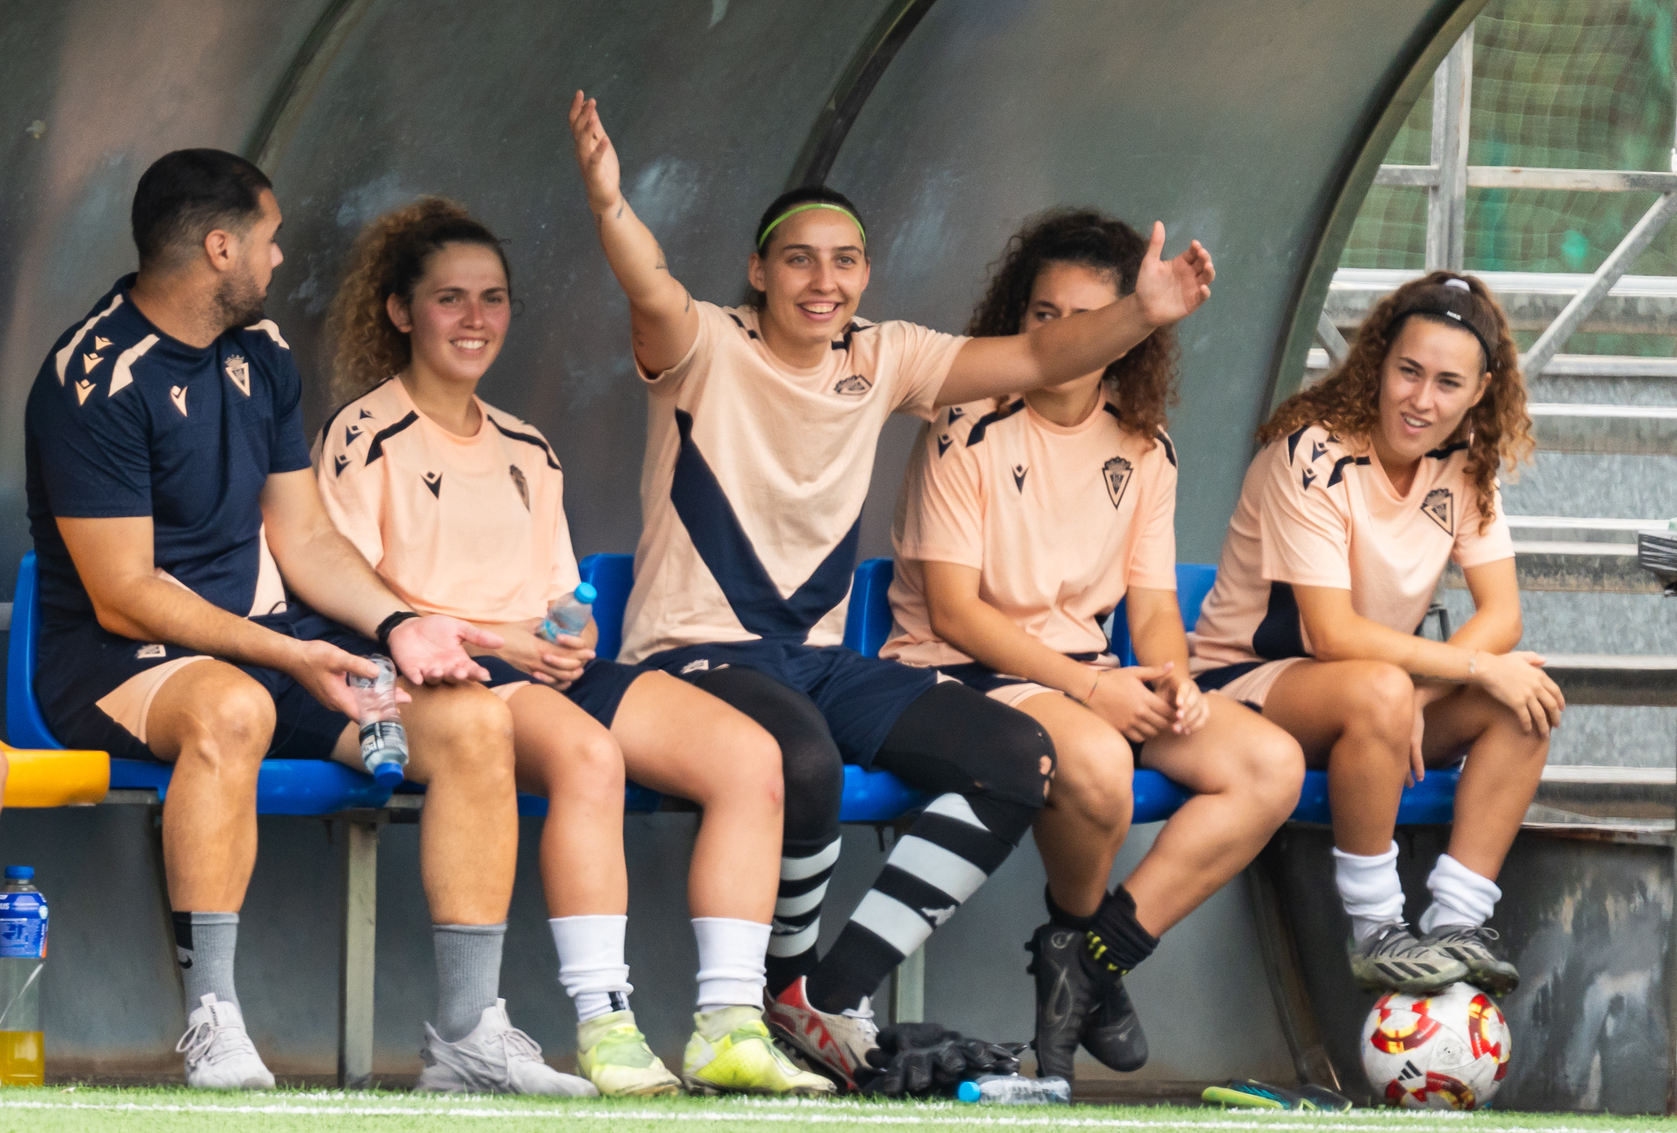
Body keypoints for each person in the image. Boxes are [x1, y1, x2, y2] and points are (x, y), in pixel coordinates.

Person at [568, 92, 1215, 1088]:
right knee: (804, 753)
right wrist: (610, 202)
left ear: (866, 274)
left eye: (843, 261)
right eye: (798, 259)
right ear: (758, 271)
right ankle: (777, 992)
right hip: (695, 652)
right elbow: (650, 286)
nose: (821, 280)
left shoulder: (885, 355)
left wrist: (1142, 313)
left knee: (1015, 756)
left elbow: (1039, 354)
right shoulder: (703, 343)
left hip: (819, 660)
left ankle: (824, 992)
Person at [23, 149, 593, 1094]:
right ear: (220, 248)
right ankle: (213, 1019)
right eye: (270, 238)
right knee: (232, 707)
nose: (280, 257)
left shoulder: (263, 351)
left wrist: (401, 624)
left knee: (472, 722)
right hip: (118, 662)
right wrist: (292, 653)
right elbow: (124, 591)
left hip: (270, 651)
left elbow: (306, 536)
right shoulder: (93, 375)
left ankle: (469, 1036)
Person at [316, 197, 831, 1097]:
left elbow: (557, 595)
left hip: (536, 666)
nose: (476, 319)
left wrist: (570, 628)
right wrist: (506, 641)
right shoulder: (365, 433)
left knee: (751, 758)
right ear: (401, 311)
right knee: (591, 755)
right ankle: (606, 1024)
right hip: (445, 676)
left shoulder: (529, 446)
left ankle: (730, 1024)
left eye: (493, 298)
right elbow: (352, 600)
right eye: (449, 298)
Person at [884, 209, 1305, 1084]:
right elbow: (954, 613)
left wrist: (1175, 678)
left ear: (1129, 331)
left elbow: (1152, 604)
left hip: (1087, 677)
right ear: (1017, 318)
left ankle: (1090, 958)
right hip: (963, 674)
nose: (1065, 335)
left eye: (1089, 317)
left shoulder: (1145, 443)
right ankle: (1080, 947)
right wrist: (1091, 690)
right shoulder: (967, 421)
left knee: (1270, 764)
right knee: (1102, 762)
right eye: (1044, 314)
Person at [1189, 270, 1559, 996]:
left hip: (1376, 702)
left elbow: (1503, 616)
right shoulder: (1312, 452)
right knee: (1408, 687)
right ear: (1378, 362)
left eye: (1448, 383)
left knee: (1526, 701)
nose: (1422, 400)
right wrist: (1459, 673)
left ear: (1480, 391)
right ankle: (1377, 929)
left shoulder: (1467, 465)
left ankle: (1456, 923)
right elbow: (1330, 634)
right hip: (1250, 686)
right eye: (1408, 371)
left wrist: (1420, 696)